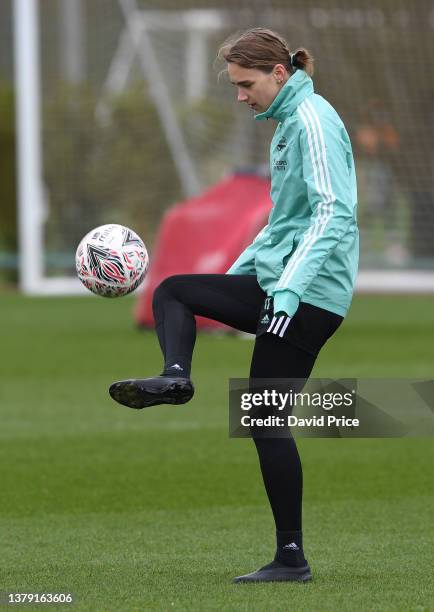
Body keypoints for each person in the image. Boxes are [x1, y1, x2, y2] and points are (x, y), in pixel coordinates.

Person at [109, 28, 359, 583]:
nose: (239, 96)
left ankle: (291, 559)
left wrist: (290, 290)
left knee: (266, 417)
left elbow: (333, 214)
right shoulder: (287, 123)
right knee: (175, 290)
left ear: (278, 72)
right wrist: (233, 279)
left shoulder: (313, 121)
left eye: (245, 84)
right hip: (283, 280)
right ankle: (176, 378)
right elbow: (285, 223)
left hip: (311, 293)